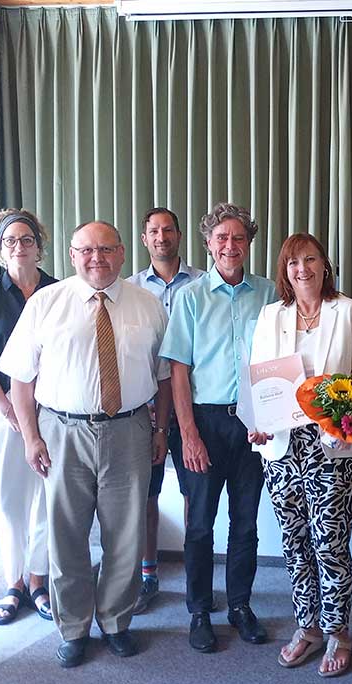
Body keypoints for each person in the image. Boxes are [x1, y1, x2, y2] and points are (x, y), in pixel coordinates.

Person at [0, 220, 171, 668]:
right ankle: (73, 626)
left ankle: (116, 620)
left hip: (129, 429)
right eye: (87, 250)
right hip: (61, 431)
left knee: (126, 533)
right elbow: (21, 376)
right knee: (66, 532)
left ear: (122, 254)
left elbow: (166, 378)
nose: (98, 258)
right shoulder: (45, 304)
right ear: (72, 255)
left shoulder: (148, 305)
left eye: (107, 249)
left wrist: (160, 431)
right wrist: (31, 435)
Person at [248, 233, 352, 677]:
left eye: (311, 259)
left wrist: (349, 426)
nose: (302, 268)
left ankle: (338, 630)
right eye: (293, 261)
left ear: (325, 265)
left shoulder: (348, 311)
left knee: (330, 543)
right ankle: (308, 626)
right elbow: (259, 380)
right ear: (284, 269)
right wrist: (257, 423)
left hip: (330, 446)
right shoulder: (270, 315)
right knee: (294, 542)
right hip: (282, 448)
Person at [161, 202, 277, 653]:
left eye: (239, 238)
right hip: (204, 424)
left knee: (246, 522)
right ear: (208, 244)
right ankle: (198, 610)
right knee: (200, 524)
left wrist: (268, 419)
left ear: (248, 244)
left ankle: (241, 606)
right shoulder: (190, 297)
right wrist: (188, 434)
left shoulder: (268, 294)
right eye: (221, 238)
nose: (231, 246)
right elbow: (178, 371)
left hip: (253, 422)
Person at [0, 209, 58, 626]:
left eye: (26, 239)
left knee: (46, 497)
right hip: (2, 413)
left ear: (39, 245)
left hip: (53, 412)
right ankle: (13, 581)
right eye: (10, 241)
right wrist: (6, 407)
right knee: (5, 499)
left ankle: (38, 580)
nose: (18, 247)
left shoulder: (60, 291)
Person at [126, 206, 205, 614]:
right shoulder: (129, 290)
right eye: (153, 231)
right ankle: (148, 574)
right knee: (146, 494)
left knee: (195, 491)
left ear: (179, 235)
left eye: (169, 229)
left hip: (194, 407)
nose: (161, 237)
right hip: (148, 410)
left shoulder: (204, 285)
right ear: (144, 239)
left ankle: (196, 573)